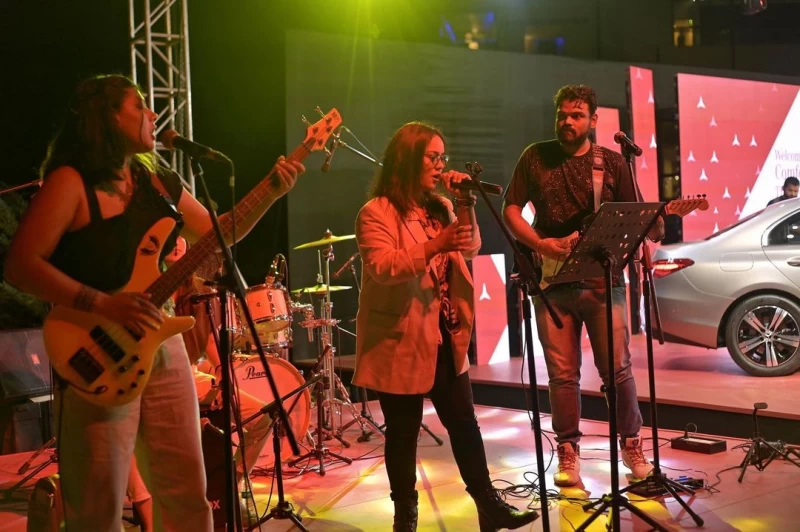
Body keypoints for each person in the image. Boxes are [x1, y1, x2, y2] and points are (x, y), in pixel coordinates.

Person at [3, 74, 303, 530]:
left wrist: (271, 193)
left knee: (187, 493)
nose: (152, 113)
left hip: (161, 341)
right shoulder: (70, 182)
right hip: (94, 348)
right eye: (139, 105)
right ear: (109, 117)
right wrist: (103, 304)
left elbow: (220, 232)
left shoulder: (158, 179)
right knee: (97, 508)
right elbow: (20, 266)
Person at [353, 121, 539, 531]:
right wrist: (436, 244)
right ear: (408, 159)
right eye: (432, 157)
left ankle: (489, 506)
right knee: (403, 434)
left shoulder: (439, 206)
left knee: (464, 424)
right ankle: (405, 516)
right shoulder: (376, 212)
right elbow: (384, 267)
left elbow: (469, 247)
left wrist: (465, 201)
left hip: (445, 335)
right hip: (399, 339)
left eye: (443, 157)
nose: (440, 165)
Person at [502, 84, 664, 488]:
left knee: (618, 369)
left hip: (602, 281)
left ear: (593, 120)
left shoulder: (611, 162)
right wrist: (541, 244)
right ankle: (568, 450)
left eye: (576, 115)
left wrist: (648, 231)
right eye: (562, 114)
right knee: (562, 375)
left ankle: (631, 445)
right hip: (550, 282)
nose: (567, 122)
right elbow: (511, 209)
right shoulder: (534, 156)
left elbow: (638, 218)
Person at [127, 237, 275, 527]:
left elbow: (210, 344)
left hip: (190, 376)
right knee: (132, 436)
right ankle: (147, 513)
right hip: (142, 377)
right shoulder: (142, 287)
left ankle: (231, 485)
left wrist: (222, 379)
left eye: (180, 234)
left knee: (264, 416)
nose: (176, 241)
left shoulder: (201, 293)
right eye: (169, 235)